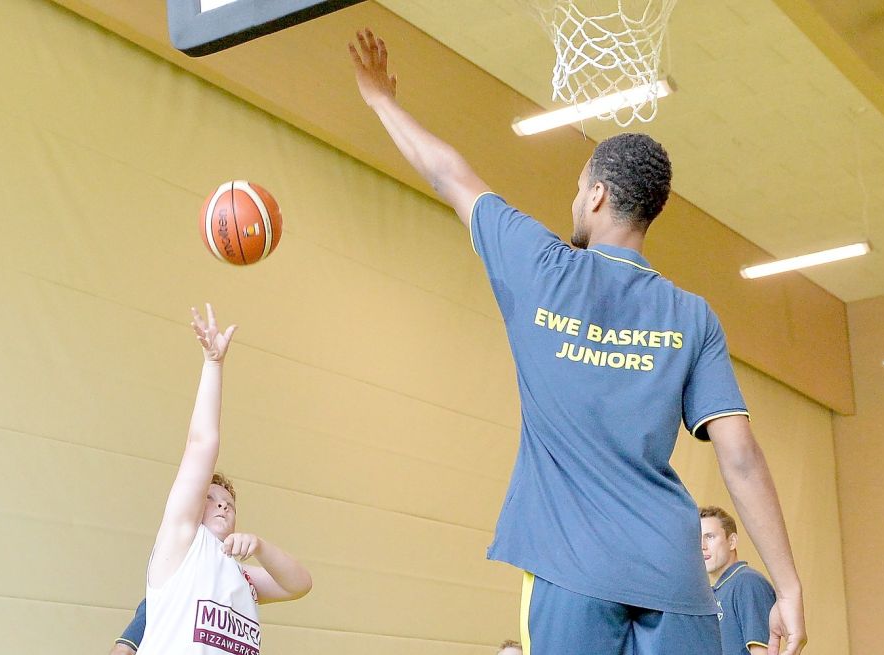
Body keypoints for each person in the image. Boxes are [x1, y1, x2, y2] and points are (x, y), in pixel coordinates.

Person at [349, 29, 805, 655]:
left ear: (596, 196)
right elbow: (741, 456)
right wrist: (788, 585)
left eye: (576, 187)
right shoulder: (692, 315)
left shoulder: (543, 267)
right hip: (674, 576)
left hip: (572, 570)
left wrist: (380, 100)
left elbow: (448, 174)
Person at [136, 304, 312, 654]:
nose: (222, 506)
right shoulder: (182, 542)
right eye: (212, 498)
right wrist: (213, 364)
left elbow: (300, 584)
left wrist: (260, 546)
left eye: (229, 504)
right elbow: (202, 444)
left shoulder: (242, 576)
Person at [700, 506, 777, 655]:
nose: (702, 546)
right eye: (697, 538)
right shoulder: (713, 592)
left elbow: (762, 652)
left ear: (732, 541)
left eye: (710, 537)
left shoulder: (747, 583)